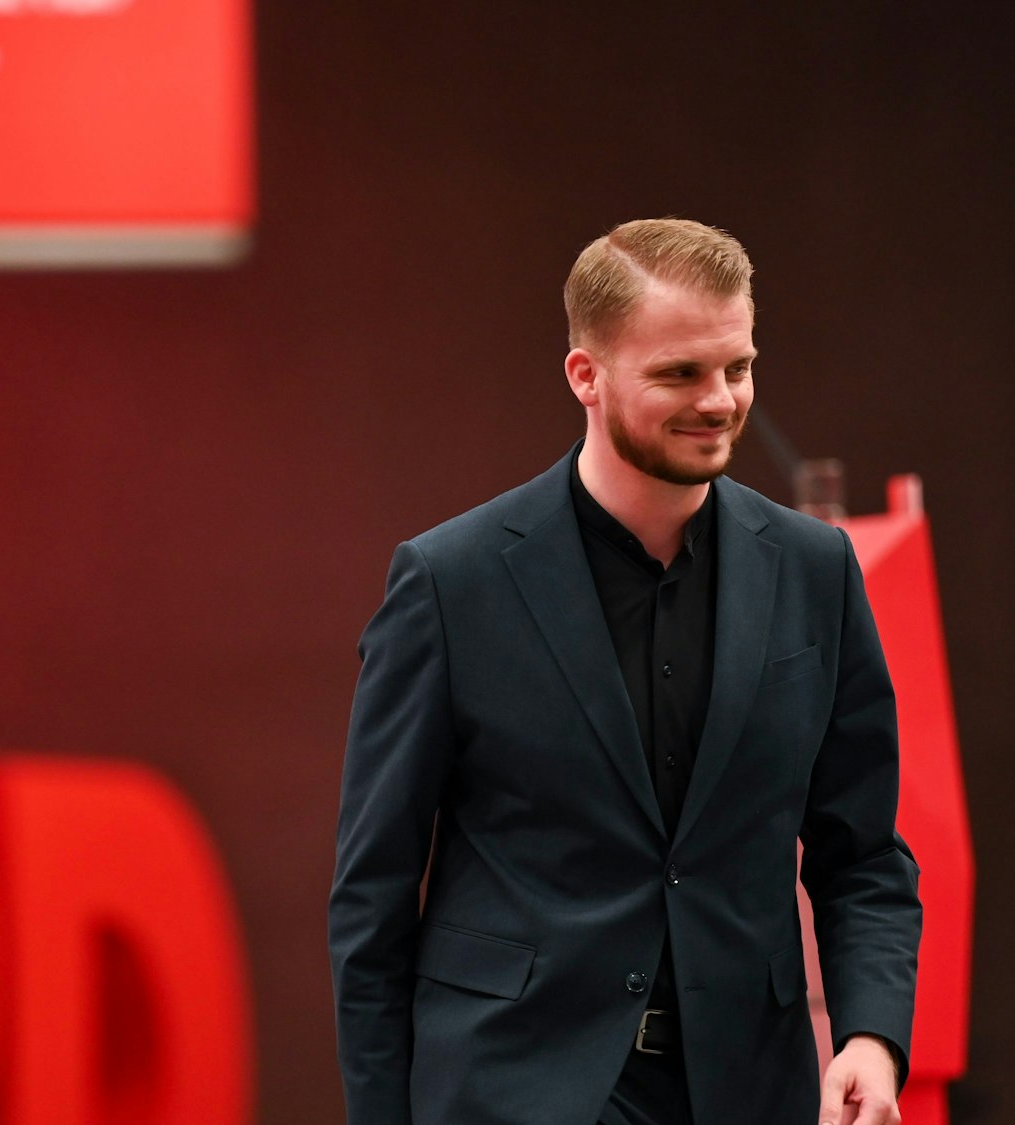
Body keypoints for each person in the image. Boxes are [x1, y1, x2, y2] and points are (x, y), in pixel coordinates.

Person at [328, 218, 922, 1125]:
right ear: (586, 376)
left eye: (738, 366)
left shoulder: (815, 571)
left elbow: (864, 857)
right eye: (681, 372)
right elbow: (372, 896)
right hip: (511, 1090)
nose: (721, 400)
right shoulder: (451, 583)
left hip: (741, 1091)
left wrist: (871, 1038)